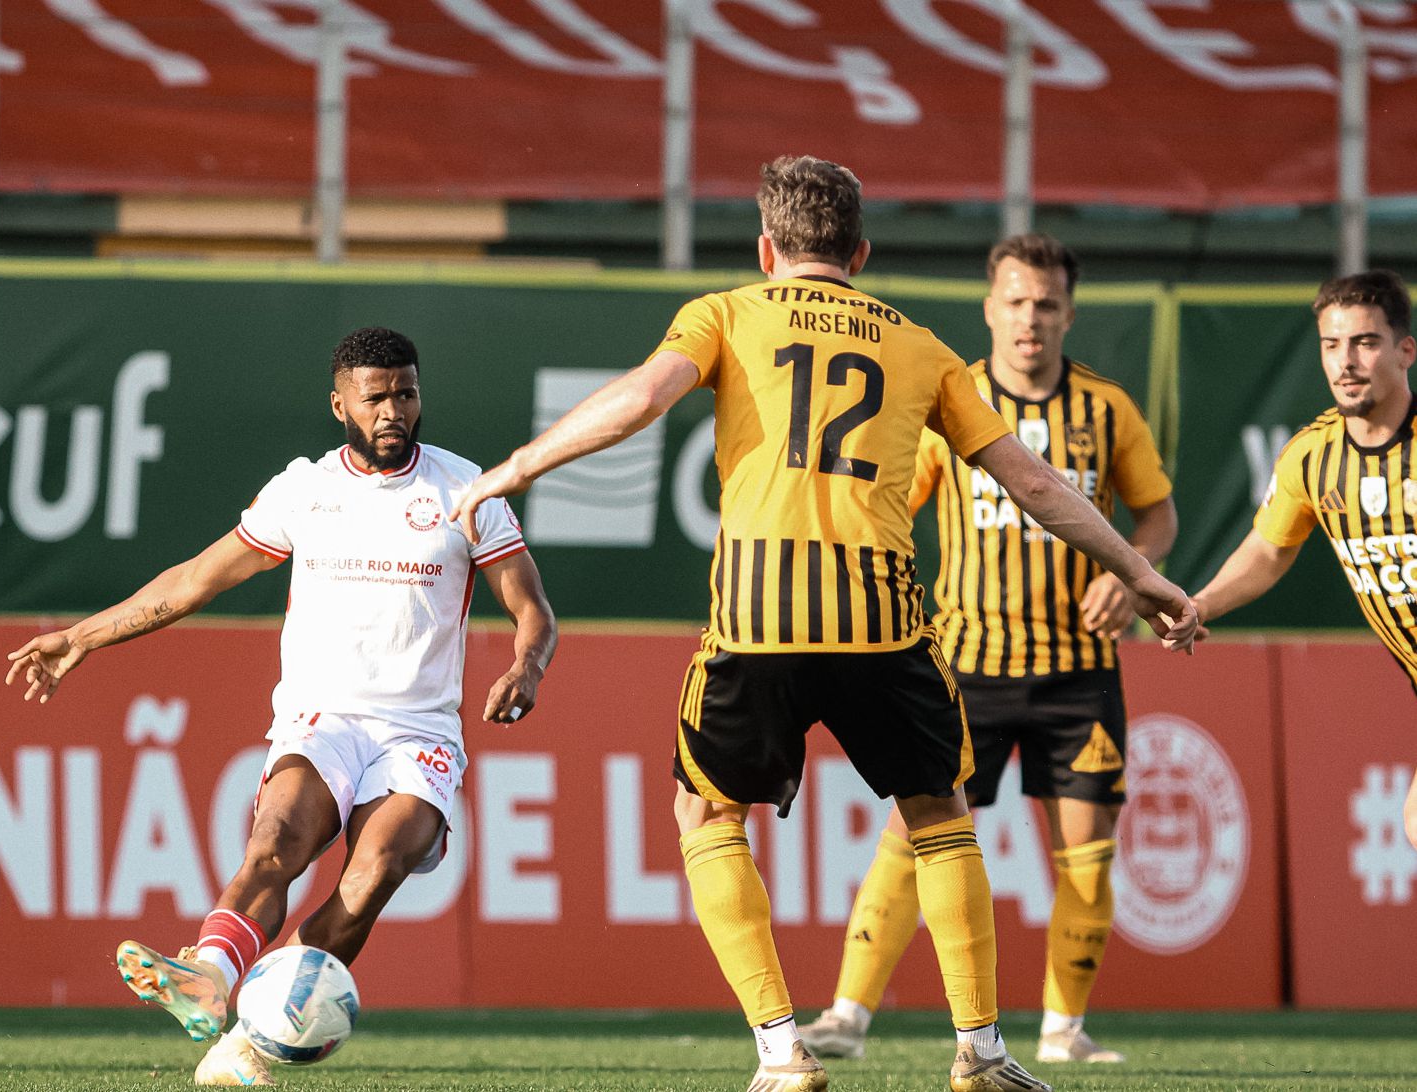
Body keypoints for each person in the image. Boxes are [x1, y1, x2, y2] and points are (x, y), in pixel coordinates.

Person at [451, 156, 1198, 1092]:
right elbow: (1036, 483)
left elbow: (641, 399)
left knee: (706, 812)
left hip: (758, 619)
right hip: (883, 622)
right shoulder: (922, 348)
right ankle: (982, 1052)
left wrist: (516, 467)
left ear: (768, 247)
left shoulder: (725, 312)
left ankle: (782, 1051)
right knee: (938, 814)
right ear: (862, 251)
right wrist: (1140, 572)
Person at [6, 327, 557, 1087]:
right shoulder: (304, 490)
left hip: (418, 731)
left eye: (406, 393)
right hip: (321, 717)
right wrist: (84, 637)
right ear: (340, 404)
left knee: (373, 873)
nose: (394, 410)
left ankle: (256, 1040)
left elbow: (534, 609)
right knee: (275, 842)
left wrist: (527, 667)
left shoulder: (467, 491)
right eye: (376, 397)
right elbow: (195, 580)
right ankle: (209, 974)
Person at [797, 233, 1176, 1067]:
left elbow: (1156, 511)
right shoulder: (950, 398)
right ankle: (847, 1016)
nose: (1029, 319)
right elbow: (891, 500)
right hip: (968, 667)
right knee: (913, 836)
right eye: (1015, 301)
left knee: (1087, 853)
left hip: (1079, 675)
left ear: (1069, 313)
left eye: (1045, 304)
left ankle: (1063, 1031)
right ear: (989, 308)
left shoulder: (1108, 410)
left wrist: (1134, 573)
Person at [1194, 269, 1417, 845]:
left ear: (1405, 351)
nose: (1346, 362)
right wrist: (1201, 604)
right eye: (1331, 345)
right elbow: (1268, 550)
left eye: (1366, 343)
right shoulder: (1310, 457)